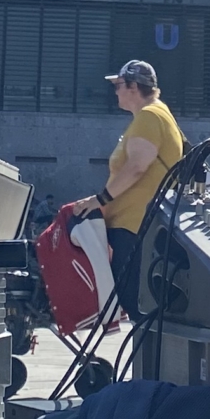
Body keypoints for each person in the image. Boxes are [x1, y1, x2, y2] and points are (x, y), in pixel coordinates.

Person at [77, 60, 184, 319]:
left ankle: (151, 361)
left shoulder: (149, 116)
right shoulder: (158, 114)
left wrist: (100, 200)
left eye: (118, 85)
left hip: (135, 227)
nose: (115, 91)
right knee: (139, 306)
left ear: (133, 87)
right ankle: (149, 360)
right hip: (139, 226)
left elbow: (137, 165)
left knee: (137, 305)